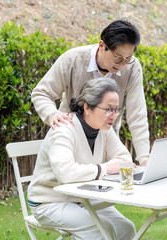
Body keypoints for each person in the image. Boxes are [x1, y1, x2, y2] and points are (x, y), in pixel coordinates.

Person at [28, 78, 136, 240]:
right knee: (102, 230)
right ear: (87, 107)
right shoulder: (63, 130)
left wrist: (108, 168)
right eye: (108, 109)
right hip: (50, 202)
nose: (113, 115)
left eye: (117, 110)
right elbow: (66, 173)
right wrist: (104, 169)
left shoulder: (104, 128)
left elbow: (124, 159)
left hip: (83, 199)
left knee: (126, 229)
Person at [32, 19, 150, 166]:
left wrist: (144, 158)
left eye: (128, 59)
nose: (122, 64)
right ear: (102, 46)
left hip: (106, 140)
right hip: (71, 136)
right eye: (118, 58)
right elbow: (41, 92)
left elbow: (137, 115)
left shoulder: (132, 68)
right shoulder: (72, 59)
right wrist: (53, 115)